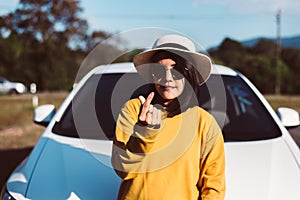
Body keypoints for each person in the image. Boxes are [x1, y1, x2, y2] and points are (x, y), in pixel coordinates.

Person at [111, 34, 225, 200]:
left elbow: (214, 188)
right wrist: (144, 132)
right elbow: (123, 170)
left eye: (177, 70)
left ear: (189, 74)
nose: (167, 78)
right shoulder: (134, 110)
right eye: (159, 70)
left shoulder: (204, 122)